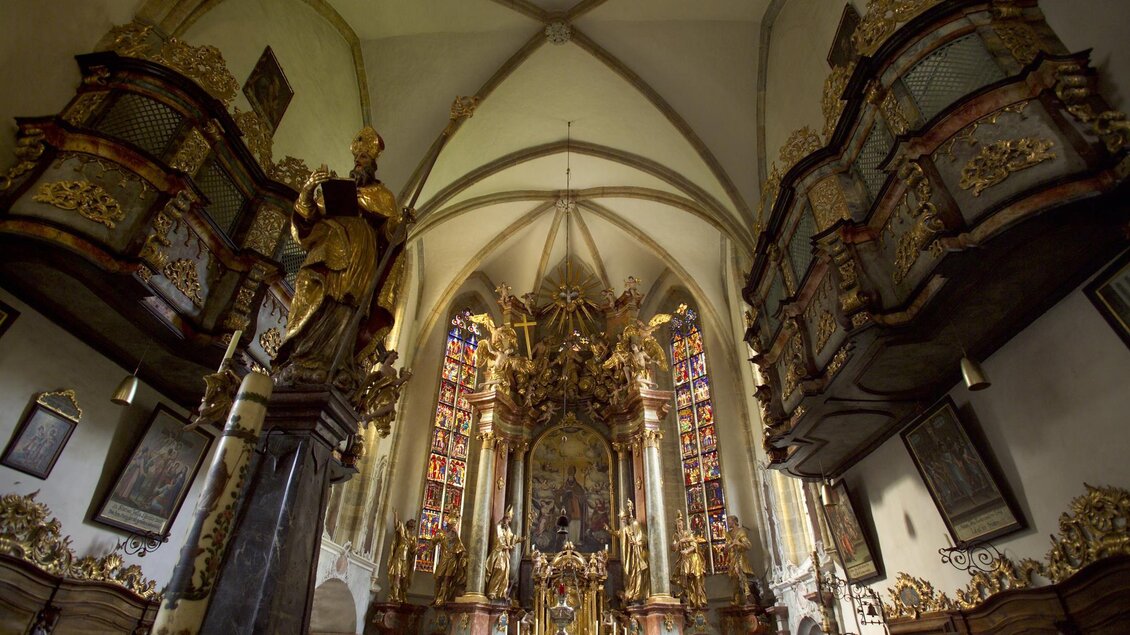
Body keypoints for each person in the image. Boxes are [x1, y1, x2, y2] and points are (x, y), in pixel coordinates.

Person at [273, 126, 407, 390]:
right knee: (316, 300)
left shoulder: (382, 196)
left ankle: (338, 360)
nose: (359, 162)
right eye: (357, 159)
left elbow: (390, 234)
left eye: (364, 159)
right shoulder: (334, 191)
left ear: (373, 165)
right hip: (327, 253)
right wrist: (308, 191)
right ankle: (303, 355)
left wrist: (400, 225)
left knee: (347, 306)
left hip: (360, 259)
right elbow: (306, 223)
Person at [609, 500, 649, 603]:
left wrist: (636, 542)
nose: (623, 521)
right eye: (621, 519)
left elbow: (643, 537)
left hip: (639, 553)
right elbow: (621, 534)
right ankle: (633, 592)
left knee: (638, 572)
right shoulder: (626, 529)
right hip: (631, 555)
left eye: (623, 519)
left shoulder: (635, 524)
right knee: (632, 573)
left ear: (627, 517)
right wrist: (609, 531)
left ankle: (638, 593)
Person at [671, 511, 707, 609]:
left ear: (683, 524)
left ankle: (699, 600)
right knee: (685, 580)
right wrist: (678, 542)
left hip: (694, 559)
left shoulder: (688, 533)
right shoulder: (675, 536)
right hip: (684, 560)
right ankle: (689, 600)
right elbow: (673, 548)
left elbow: (695, 544)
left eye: (680, 523)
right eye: (677, 524)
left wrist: (686, 548)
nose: (679, 525)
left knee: (697, 579)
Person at [485, 506, 523, 600]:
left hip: (505, 554)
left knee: (505, 573)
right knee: (499, 570)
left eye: (509, 519)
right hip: (499, 553)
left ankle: (501, 593)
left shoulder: (508, 529)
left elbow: (511, 537)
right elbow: (499, 539)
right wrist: (507, 547)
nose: (509, 521)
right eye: (508, 519)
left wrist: (520, 539)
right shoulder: (499, 527)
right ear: (505, 518)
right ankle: (492, 591)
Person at [432, 520, 467, 606]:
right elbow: (433, 542)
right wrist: (428, 551)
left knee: (447, 580)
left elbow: (462, 550)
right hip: (444, 559)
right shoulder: (442, 535)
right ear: (448, 526)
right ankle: (436, 598)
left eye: (454, 526)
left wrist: (464, 560)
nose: (452, 527)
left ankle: (443, 598)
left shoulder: (456, 538)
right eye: (451, 525)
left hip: (452, 560)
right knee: (438, 578)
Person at [724, 515, 755, 606]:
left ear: (734, 521)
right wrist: (728, 547)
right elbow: (726, 549)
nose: (728, 522)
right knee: (735, 580)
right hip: (732, 559)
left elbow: (748, 545)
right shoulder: (728, 534)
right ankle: (737, 599)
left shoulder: (741, 532)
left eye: (729, 521)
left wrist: (738, 543)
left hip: (740, 557)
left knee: (742, 578)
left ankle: (748, 597)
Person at [386, 511, 416, 603]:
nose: (411, 525)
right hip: (399, 556)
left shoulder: (413, 538)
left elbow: (413, 550)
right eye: (410, 523)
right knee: (397, 576)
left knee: (404, 579)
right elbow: (396, 525)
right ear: (407, 524)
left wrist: (416, 550)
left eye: (413, 524)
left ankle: (402, 595)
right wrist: (395, 514)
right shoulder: (403, 530)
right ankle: (395, 595)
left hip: (406, 558)